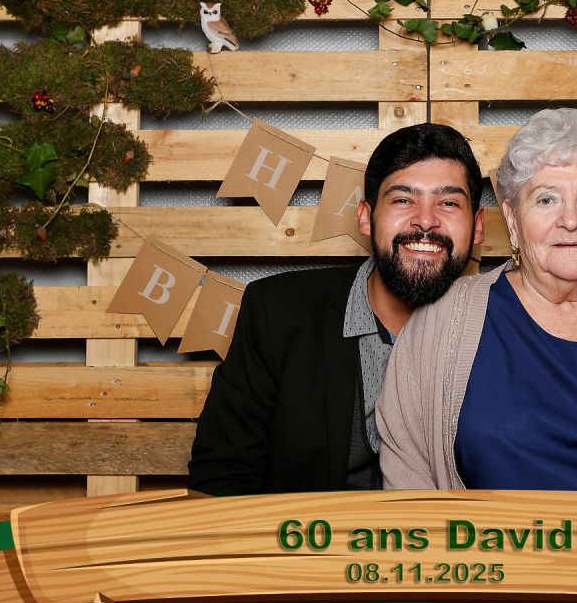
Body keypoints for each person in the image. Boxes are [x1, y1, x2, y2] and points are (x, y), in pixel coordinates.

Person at [378, 108, 577, 494]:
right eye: (547, 200)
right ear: (512, 219)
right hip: (506, 535)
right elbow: (409, 481)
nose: (570, 220)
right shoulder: (443, 321)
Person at [188, 123, 485, 494]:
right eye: (403, 200)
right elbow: (221, 478)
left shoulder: (503, 328)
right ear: (364, 216)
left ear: (477, 227)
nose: (425, 220)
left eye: (449, 203)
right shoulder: (276, 313)